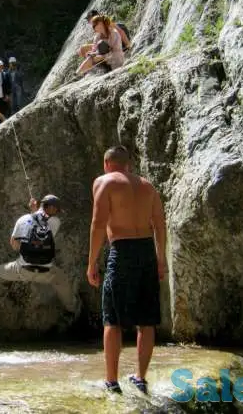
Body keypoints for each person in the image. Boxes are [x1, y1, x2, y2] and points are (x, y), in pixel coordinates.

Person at [87, 145, 166, 395]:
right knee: (146, 319)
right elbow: (160, 225)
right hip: (146, 252)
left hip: (121, 251)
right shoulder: (147, 186)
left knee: (112, 318)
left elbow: (98, 223)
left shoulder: (104, 181)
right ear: (128, 165)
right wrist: (161, 259)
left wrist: (92, 263)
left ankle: (111, 381)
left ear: (106, 164)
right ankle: (140, 378)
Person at [0, 195, 79, 324]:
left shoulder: (23, 219)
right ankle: (72, 310)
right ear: (52, 208)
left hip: (22, 270)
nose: (57, 213)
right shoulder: (56, 222)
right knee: (62, 280)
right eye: (56, 210)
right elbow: (42, 223)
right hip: (47, 272)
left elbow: (14, 244)